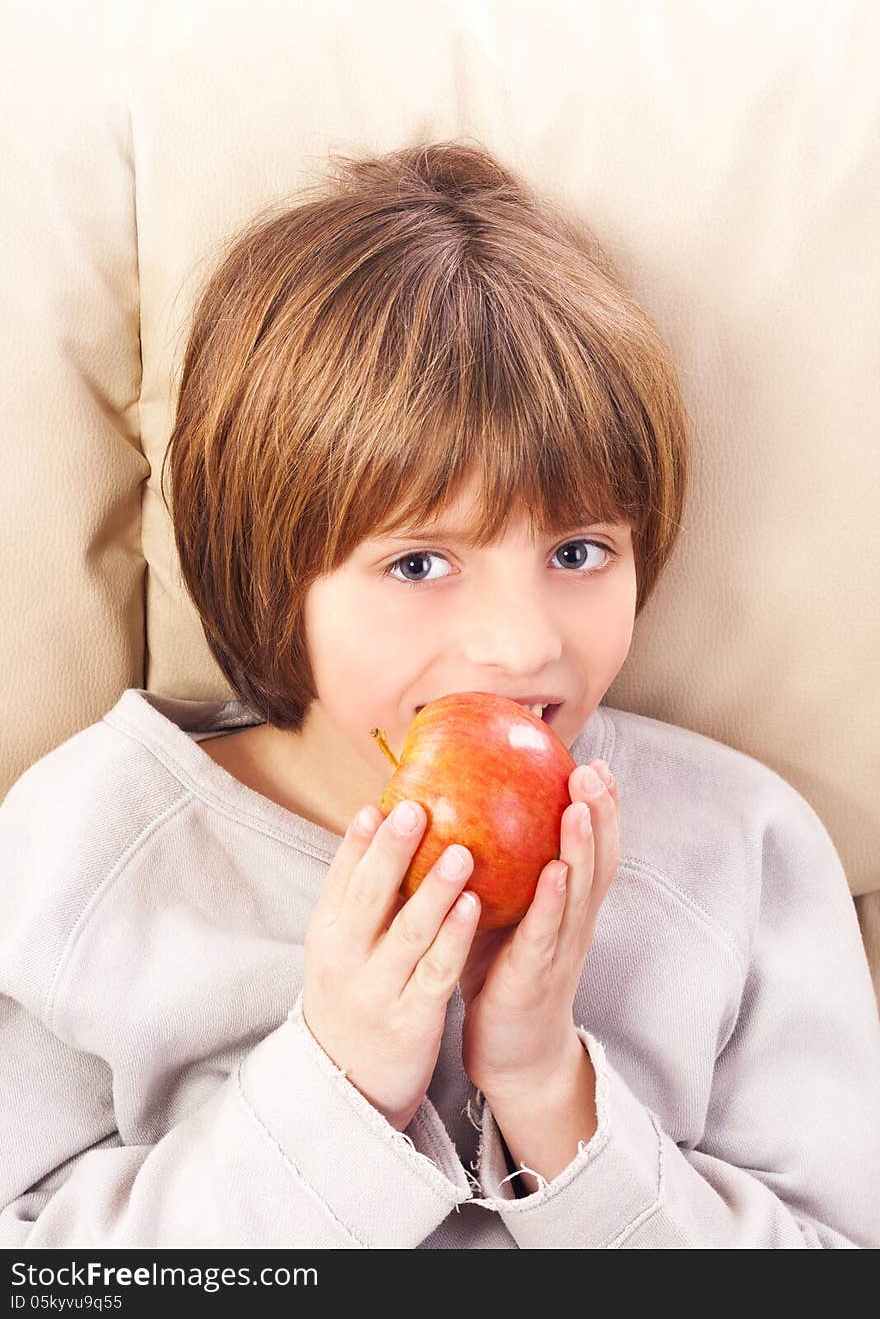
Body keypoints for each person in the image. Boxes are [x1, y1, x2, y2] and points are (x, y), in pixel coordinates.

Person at [2, 140, 878, 1249]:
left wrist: (550, 1091)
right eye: (419, 564)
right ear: (269, 573)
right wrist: (340, 1081)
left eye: (577, 552)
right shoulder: (85, 850)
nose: (520, 647)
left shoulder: (739, 850)